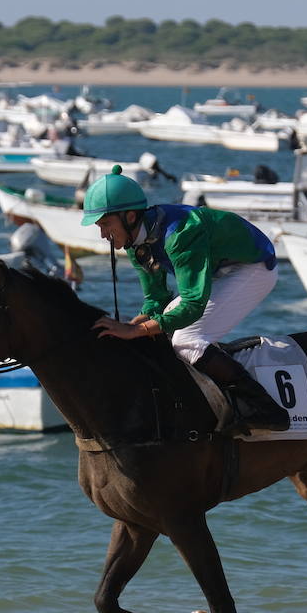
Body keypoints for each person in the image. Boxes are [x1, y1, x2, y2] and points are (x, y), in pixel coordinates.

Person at [81, 165, 289, 432]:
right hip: (218, 268)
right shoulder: (136, 244)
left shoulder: (179, 235)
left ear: (130, 216)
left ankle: (264, 408)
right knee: (162, 331)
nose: (102, 235)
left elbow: (192, 306)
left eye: (105, 224)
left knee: (187, 339)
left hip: (253, 266)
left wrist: (135, 331)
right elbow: (156, 300)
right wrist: (132, 328)